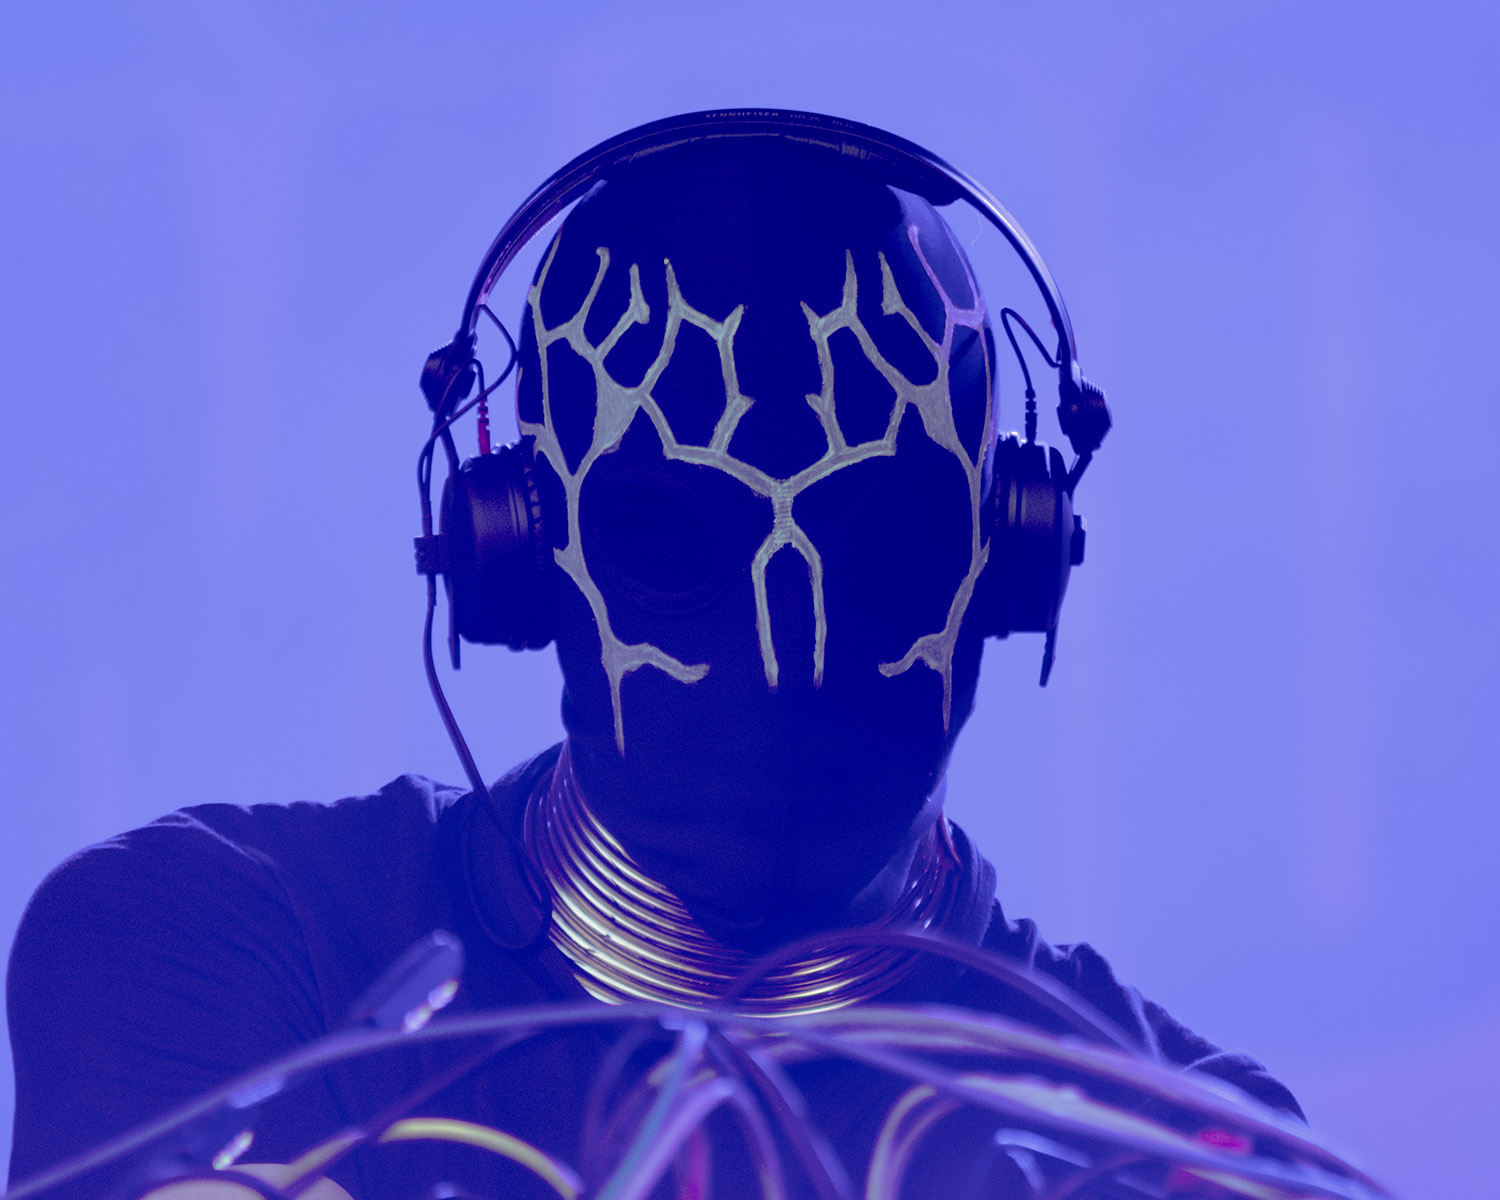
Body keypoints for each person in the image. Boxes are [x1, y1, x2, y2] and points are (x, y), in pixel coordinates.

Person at [6, 122, 1301, 1200]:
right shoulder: (213, 943)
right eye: (674, 544)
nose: (788, 648)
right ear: (520, 554)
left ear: (1009, 555)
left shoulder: (1194, 1151)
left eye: (884, 541)